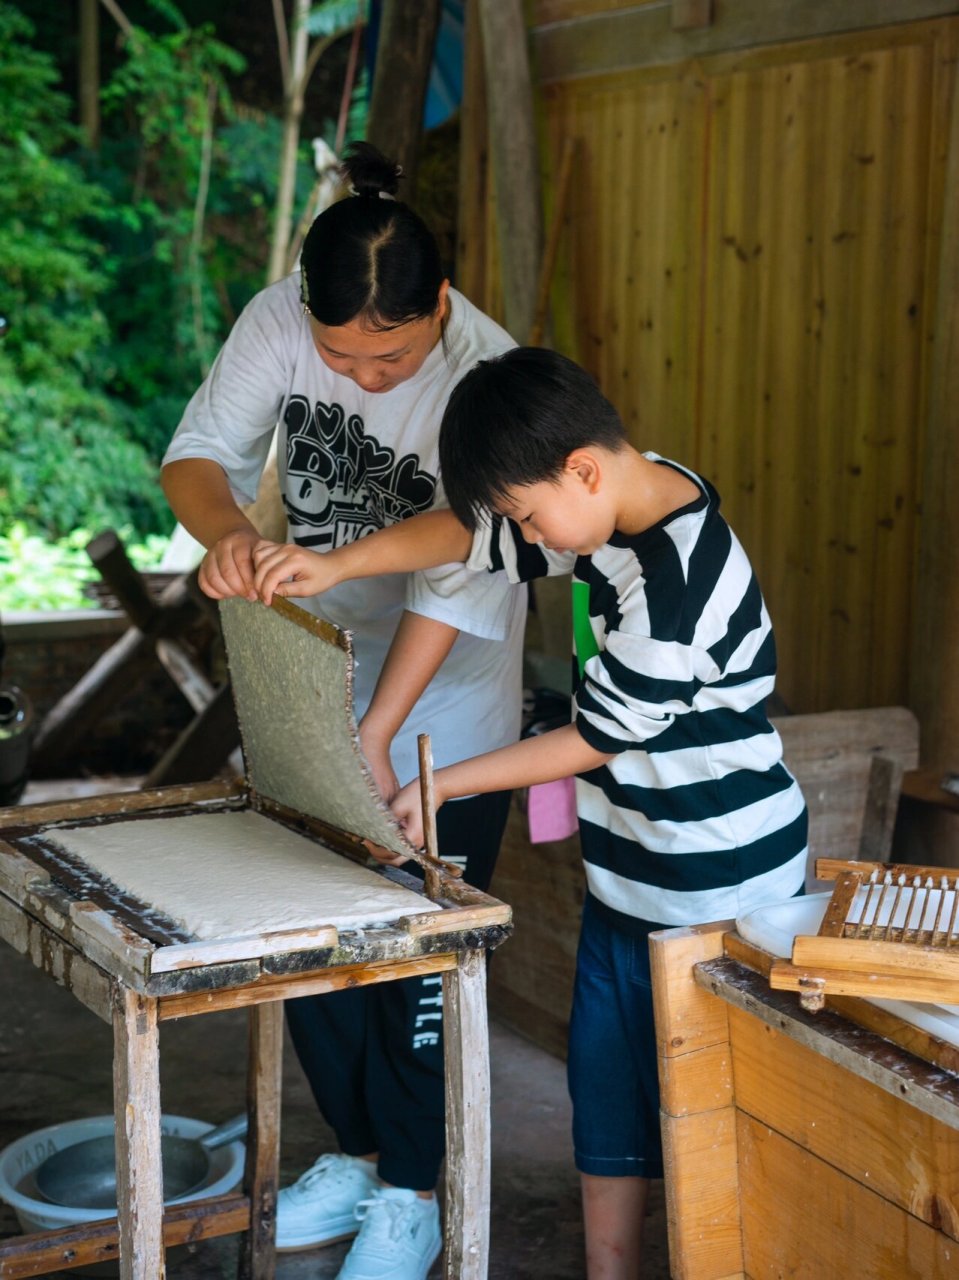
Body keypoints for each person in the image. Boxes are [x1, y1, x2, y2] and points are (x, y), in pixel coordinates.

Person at [251, 346, 809, 1280]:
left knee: (726, 1121)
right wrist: (333, 562)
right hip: (628, 880)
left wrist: (442, 785)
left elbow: (594, 737)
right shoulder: (619, 498)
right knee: (605, 1107)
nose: (526, 534)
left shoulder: (673, 580)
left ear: (581, 470)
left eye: (527, 512)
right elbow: (465, 539)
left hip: (725, 894)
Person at [161, 143, 527, 1280]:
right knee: (309, 945)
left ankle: (416, 1189)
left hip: (441, 703)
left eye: (393, 357)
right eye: (340, 357)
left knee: (413, 951)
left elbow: (464, 562)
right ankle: (359, 1156)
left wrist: (372, 735)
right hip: (305, 671)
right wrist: (231, 534)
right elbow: (195, 456)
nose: (366, 379)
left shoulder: (485, 374)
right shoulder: (276, 318)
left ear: (443, 309)